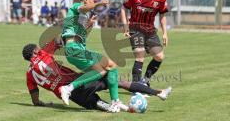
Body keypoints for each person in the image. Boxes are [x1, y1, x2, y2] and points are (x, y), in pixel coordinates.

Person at [22, 40, 172, 111]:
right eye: (38, 48)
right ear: (35, 52)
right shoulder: (43, 53)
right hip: (78, 81)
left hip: (73, 97)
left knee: (95, 104)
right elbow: (60, 40)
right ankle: (158, 93)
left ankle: (115, 106)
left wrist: (42, 104)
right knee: (116, 80)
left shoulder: (29, 75)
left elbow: (35, 99)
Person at [60, 0, 126, 112]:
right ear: (86, 0)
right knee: (101, 71)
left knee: (111, 66)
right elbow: (84, 8)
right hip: (73, 49)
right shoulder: (76, 6)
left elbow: (82, 36)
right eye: (94, 1)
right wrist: (100, 3)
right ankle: (68, 88)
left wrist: (89, 25)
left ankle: (115, 101)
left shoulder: (84, 15)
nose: (95, 4)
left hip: (77, 49)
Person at [121, 0, 169, 86]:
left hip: (150, 30)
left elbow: (162, 15)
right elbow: (124, 8)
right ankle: (136, 87)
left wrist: (165, 33)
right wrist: (125, 26)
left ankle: (145, 81)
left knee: (159, 56)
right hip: (135, 27)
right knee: (140, 54)